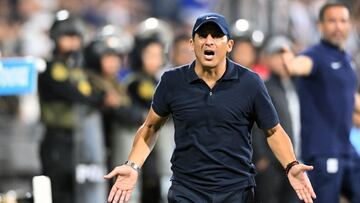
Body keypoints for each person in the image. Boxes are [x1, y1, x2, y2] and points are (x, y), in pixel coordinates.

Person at [105, 12, 316, 203]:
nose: (209, 41)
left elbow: (273, 130)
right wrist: (133, 165)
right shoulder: (172, 81)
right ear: (191, 43)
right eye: (203, 36)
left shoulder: (250, 82)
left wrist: (291, 165)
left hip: (235, 190)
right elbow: (151, 127)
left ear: (229, 45)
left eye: (216, 36)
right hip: (187, 190)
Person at [281, 3, 360, 203]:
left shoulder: (347, 60)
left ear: (349, 25)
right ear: (320, 26)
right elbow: (300, 66)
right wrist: (291, 64)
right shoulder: (314, 55)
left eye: (343, 21)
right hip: (322, 152)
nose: (338, 26)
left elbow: (351, 99)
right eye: (332, 21)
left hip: (346, 149)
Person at [252, 35, 300, 203]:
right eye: (277, 55)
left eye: (287, 53)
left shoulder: (298, 86)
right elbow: (255, 124)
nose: (283, 59)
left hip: (296, 163)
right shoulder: (263, 86)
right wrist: (261, 158)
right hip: (272, 165)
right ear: (269, 59)